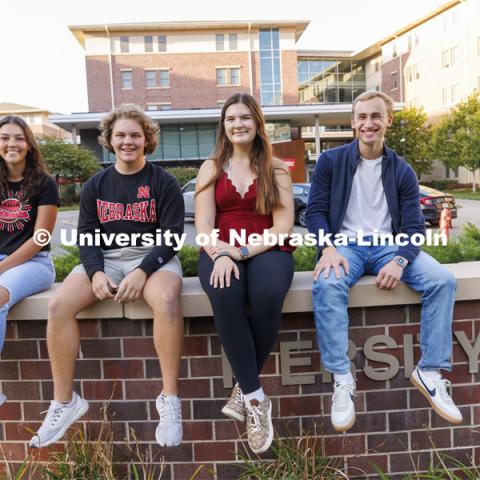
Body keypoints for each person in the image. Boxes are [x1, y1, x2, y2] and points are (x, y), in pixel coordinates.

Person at [30, 104, 185, 448]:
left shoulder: (164, 182)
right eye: (120, 135)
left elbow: (173, 236)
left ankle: (170, 400)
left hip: (152, 258)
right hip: (109, 259)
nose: (127, 141)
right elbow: (87, 237)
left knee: (166, 299)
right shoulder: (95, 185)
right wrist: (96, 272)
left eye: (135, 135)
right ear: (109, 141)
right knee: (58, 305)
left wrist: (144, 271)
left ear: (147, 140)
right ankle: (64, 402)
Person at [306, 91, 461, 433]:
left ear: (388, 121)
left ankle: (430, 371)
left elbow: (414, 226)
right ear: (352, 123)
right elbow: (314, 212)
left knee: (442, 281)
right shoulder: (331, 162)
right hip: (345, 247)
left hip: (388, 248)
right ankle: (343, 380)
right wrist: (327, 248)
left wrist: (401, 261)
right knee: (327, 284)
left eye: (376, 116)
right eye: (361, 117)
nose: (368, 123)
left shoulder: (401, 169)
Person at [195, 93, 295, 454]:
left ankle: (243, 387)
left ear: (257, 123)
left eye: (245, 118)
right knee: (225, 293)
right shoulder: (210, 167)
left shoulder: (276, 167)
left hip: (267, 246)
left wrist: (241, 251)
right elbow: (203, 225)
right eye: (230, 118)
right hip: (219, 249)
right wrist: (220, 253)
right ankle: (256, 401)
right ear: (223, 126)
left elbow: (283, 224)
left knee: (267, 294)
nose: (238, 124)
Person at [0, 116, 59, 406]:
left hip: (35, 264)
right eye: (4, 137)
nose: (11, 143)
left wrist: (1, 267)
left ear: (29, 144)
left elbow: (39, 239)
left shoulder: (44, 183)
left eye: (19, 137)